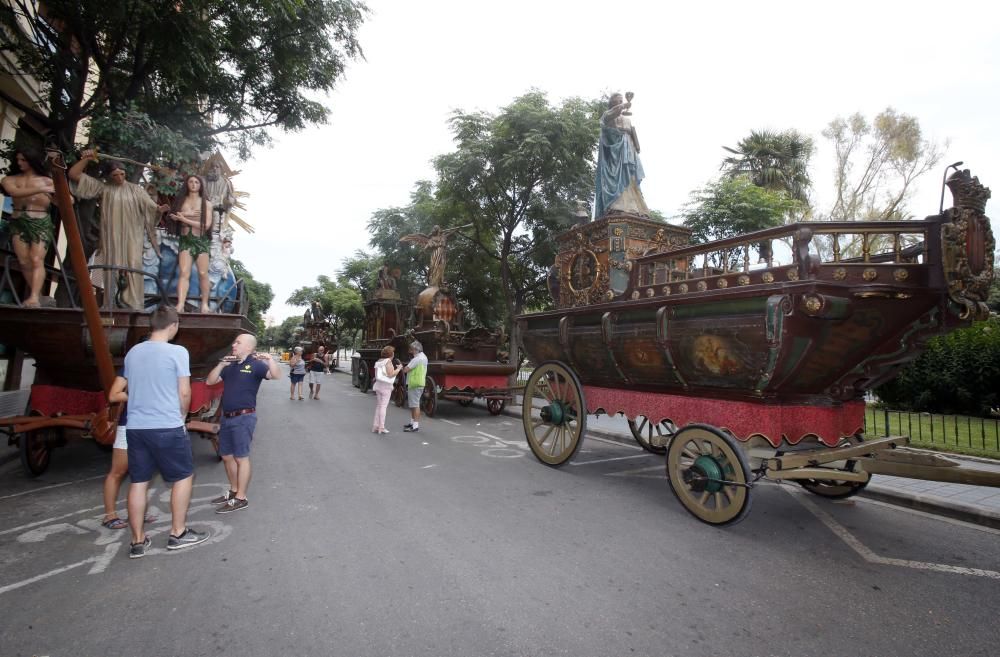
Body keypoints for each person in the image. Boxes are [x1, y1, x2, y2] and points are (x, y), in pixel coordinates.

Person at [120, 306, 209, 558]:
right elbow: (184, 391)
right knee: (183, 477)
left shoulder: (133, 353)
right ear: (174, 325)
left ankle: (137, 541)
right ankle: (177, 533)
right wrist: (182, 415)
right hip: (167, 424)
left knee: (138, 482)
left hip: (136, 427)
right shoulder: (177, 352)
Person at [69, 150, 170, 309]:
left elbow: (151, 207)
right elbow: (74, 174)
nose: (119, 178)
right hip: (112, 236)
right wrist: (86, 159)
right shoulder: (103, 188)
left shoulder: (136, 190)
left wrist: (159, 209)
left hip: (132, 236)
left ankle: (132, 303)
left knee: (133, 264)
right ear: (109, 176)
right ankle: (112, 303)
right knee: (112, 265)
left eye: (122, 174)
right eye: (115, 175)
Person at [205, 332, 281, 513]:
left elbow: (276, 375)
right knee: (226, 456)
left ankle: (241, 497)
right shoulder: (229, 366)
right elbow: (210, 381)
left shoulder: (256, 365)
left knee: (241, 457)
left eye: (238, 343)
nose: (233, 345)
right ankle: (233, 490)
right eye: (234, 342)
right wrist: (221, 364)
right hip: (227, 417)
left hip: (244, 418)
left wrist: (270, 359)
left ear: (249, 347)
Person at [1, 148, 55, 307]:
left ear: (32, 160)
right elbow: (14, 192)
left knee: (36, 259)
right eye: (18, 160)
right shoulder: (9, 179)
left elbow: (66, 201)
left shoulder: (48, 181)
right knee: (24, 261)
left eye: (23, 160)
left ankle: (33, 297)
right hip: (18, 221)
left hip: (41, 222)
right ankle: (37, 294)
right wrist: (42, 190)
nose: (20, 163)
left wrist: (60, 197)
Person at [99, 375, 155, 530]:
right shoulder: (130, 364)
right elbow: (113, 395)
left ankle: (137, 512)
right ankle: (109, 515)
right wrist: (140, 395)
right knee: (118, 471)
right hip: (130, 424)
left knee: (143, 472)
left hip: (153, 425)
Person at [594, 92, 649, 219]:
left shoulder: (627, 120)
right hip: (615, 151)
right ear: (612, 103)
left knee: (630, 177)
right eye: (617, 101)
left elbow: (633, 136)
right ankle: (617, 206)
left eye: (621, 101)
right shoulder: (608, 116)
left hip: (628, 148)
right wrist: (623, 106)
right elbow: (610, 115)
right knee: (616, 176)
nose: (620, 103)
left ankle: (634, 207)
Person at [169, 174, 213, 313]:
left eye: (197, 182)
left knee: (202, 272)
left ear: (201, 185)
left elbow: (205, 225)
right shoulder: (181, 201)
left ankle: (205, 304)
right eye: (191, 182)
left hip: (201, 242)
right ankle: (180, 304)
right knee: (183, 272)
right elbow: (173, 215)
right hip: (185, 240)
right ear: (187, 184)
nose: (194, 184)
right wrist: (191, 215)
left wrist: (184, 217)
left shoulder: (207, 204)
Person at [399, 224, 471, 288]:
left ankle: (440, 281)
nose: (435, 230)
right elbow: (427, 245)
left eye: (437, 228)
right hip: (436, 253)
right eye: (435, 229)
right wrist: (422, 251)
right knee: (434, 267)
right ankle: (433, 282)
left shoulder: (443, 236)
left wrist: (456, 229)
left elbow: (450, 233)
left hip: (442, 253)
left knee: (441, 266)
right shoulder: (431, 238)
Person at [371, 345, 400, 434]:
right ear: (391, 354)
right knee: (383, 407)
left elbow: (377, 375)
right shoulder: (388, 362)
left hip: (378, 386)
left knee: (379, 406)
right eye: (393, 352)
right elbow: (391, 374)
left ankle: (375, 426)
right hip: (386, 387)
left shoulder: (379, 361)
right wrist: (398, 369)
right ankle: (381, 427)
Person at [401, 340, 428, 432]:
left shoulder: (416, 359)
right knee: (413, 404)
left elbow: (406, 369)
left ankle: (415, 426)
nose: (410, 351)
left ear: (416, 350)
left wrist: (401, 367)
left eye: (411, 349)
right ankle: (412, 423)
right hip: (419, 382)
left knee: (415, 405)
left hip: (414, 383)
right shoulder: (424, 357)